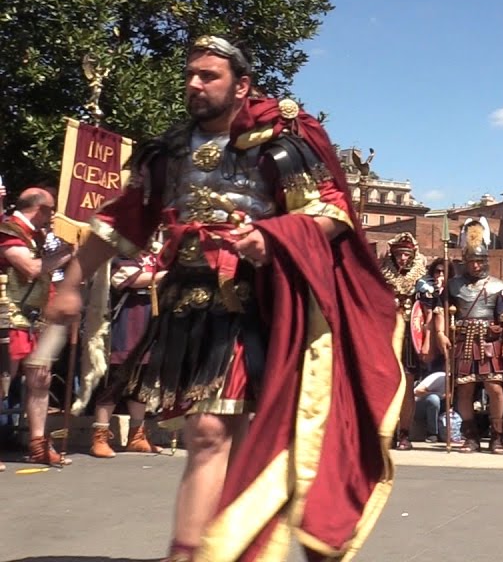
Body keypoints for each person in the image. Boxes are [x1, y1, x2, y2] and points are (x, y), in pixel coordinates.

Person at [41, 35, 403, 562]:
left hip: (255, 305)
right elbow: (124, 218)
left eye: (208, 75)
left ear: (241, 85)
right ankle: (226, 542)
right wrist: (72, 282)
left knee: (212, 430)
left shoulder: (280, 141)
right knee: (215, 431)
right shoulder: (168, 153)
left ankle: (191, 552)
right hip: (187, 305)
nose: (193, 84)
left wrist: (273, 236)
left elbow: (331, 213)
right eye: (190, 74)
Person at [1, 187, 75, 465]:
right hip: (8, 315)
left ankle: (38, 444)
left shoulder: (38, 235)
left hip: (36, 316)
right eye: (51, 210)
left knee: (40, 380)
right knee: (3, 382)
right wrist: (67, 254)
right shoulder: (9, 230)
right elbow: (31, 268)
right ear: (40, 208)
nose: (53, 216)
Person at [434, 219, 503, 454]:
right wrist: (440, 333)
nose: (476, 266)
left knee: (495, 387)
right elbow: (441, 311)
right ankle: (470, 437)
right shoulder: (453, 286)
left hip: (489, 341)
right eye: (472, 262)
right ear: (466, 262)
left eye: (480, 261)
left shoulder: (498, 286)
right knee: (465, 389)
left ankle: (497, 437)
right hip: (463, 340)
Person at [88, 243, 167, 458]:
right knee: (115, 380)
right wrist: (169, 275)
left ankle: (137, 434)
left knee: (142, 383)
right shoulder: (121, 253)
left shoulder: (156, 253)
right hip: (126, 323)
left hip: (150, 324)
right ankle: (100, 435)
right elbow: (130, 280)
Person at [380, 232, 430, 450]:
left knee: (408, 383)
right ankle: (386, 430)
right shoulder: (381, 273)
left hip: (410, 334)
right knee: (386, 383)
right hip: (387, 332)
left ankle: (404, 433)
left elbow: (428, 313)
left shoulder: (421, 278)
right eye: (399, 254)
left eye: (406, 254)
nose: (402, 258)